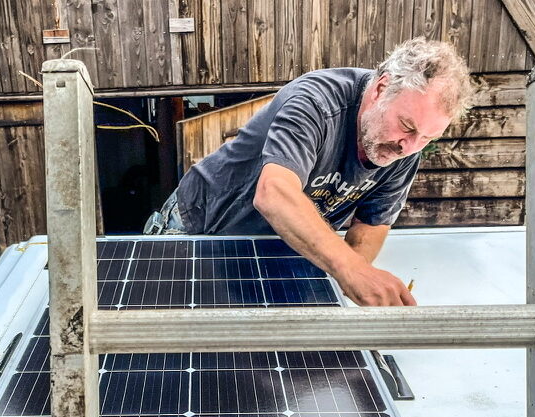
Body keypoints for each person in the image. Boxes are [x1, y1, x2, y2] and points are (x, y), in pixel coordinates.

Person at [144, 37, 474, 307]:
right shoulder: (316, 102)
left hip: (277, 249)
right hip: (203, 225)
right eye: (407, 126)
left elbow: (372, 225)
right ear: (380, 89)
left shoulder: (406, 148)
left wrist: (350, 284)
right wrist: (351, 269)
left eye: (428, 138)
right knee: (177, 336)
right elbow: (274, 194)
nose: (409, 147)